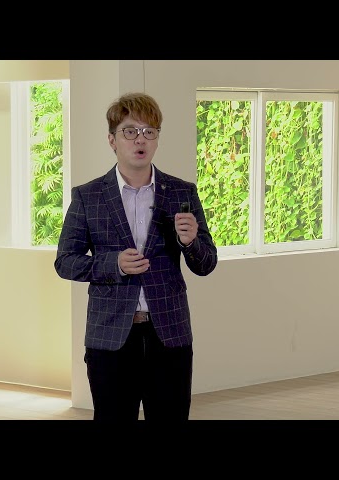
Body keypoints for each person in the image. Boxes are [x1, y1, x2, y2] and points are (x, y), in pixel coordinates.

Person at [54, 92, 218, 421]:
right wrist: (113, 264)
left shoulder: (182, 192)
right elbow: (66, 261)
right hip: (110, 336)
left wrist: (190, 242)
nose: (140, 139)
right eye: (130, 131)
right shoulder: (88, 196)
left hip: (169, 334)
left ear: (157, 139)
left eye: (149, 131)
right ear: (112, 140)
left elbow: (206, 263)